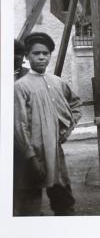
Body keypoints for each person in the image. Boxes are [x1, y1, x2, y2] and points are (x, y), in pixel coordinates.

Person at [14, 32, 81, 216]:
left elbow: (75, 105)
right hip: (32, 155)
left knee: (64, 201)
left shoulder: (57, 82)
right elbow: (20, 126)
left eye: (46, 53)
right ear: (27, 56)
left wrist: (67, 129)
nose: (42, 57)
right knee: (30, 204)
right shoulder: (21, 86)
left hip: (55, 153)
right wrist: (30, 157)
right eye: (36, 53)